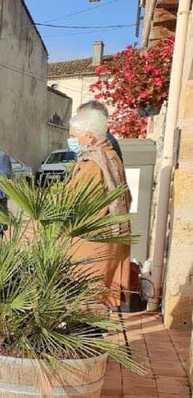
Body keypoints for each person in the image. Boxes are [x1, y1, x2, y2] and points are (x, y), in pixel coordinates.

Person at [67, 109, 132, 308]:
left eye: (73, 136)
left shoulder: (94, 163)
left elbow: (85, 206)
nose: (70, 140)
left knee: (87, 301)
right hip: (109, 236)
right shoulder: (110, 156)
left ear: (89, 136)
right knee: (98, 297)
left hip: (92, 239)